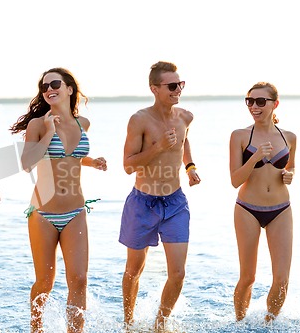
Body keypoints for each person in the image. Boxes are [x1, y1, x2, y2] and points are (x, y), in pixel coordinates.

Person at [10, 67, 107, 333]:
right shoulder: (38, 124)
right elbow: (28, 163)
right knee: (45, 282)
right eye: (44, 87)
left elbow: (69, 156)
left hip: (76, 210)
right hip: (43, 214)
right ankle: (37, 330)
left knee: (79, 279)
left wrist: (92, 162)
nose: (49, 89)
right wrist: (49, 132)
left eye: (54, 83)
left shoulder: (82, 123)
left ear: (69, 89)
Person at [119, 61, 200, 332]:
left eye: (181, 84)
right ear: (154, 88)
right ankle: (129, 323)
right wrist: (158, 147)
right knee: (134, 269)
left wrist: (190, 166)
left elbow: (184, 139)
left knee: (178, 274)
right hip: (143, 202)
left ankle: (160, 325)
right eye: (172, 85)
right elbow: (128, 165)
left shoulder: (186, 117)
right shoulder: (139, 120)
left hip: (175, 203)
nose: (178, 90)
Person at [229, 82, 296, 322]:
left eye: (260, 101)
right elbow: (235, 180)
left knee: (282, 278)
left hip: (281, 210)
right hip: (247, 209)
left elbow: (291, 168)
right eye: (249, 101)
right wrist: (255, 157)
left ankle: (269, 324)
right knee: (248, 277)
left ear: (274, 104)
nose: (254, 106)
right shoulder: (239, 136)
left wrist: (290, 175)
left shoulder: (289, 137)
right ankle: (239, 323)